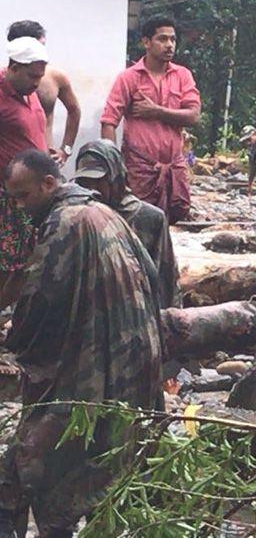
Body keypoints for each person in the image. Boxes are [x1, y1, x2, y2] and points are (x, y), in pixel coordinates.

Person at [0, 149, 163, 536]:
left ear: (49, 184)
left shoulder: (63, 221)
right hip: (134, 359)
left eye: (24, 197)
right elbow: (154, 276)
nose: (20, 208)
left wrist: (14, 345)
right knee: (109, 460)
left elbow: (42, 297)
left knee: (34, 468)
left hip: (91, 365)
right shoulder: (108, 214)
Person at [101, 16, 201, 224]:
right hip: (139, 167)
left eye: (173, 40)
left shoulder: (182, 75)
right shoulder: (129, 78)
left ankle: (163, 257)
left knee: (175, 216)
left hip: (174, 165)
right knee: (137, 220)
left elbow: (193, 116)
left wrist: (156, 111)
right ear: (146, 42)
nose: (169, 45)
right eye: (162, 39)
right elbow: (109, 121)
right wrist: (113, 165)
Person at [72, 139, 182, 309]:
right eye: (84, 183)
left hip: (138, 314)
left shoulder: (149, 218)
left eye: (98, 181)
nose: (91, 189)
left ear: (115, 177)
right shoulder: (78, 218)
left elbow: (166, 278)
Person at [0, 37, 50, 308]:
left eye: (40, 77)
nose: (37, 82)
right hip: (11, 195)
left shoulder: (30, 93)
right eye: (32, 76)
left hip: (38, 190)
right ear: (14, 67)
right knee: (9, 262)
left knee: (32, 257)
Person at [6, 21, 80, 159]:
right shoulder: (6, 85)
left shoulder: (55, 77)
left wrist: (66, 150)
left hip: (44, 164)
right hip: (12, 172)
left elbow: (74, 110)